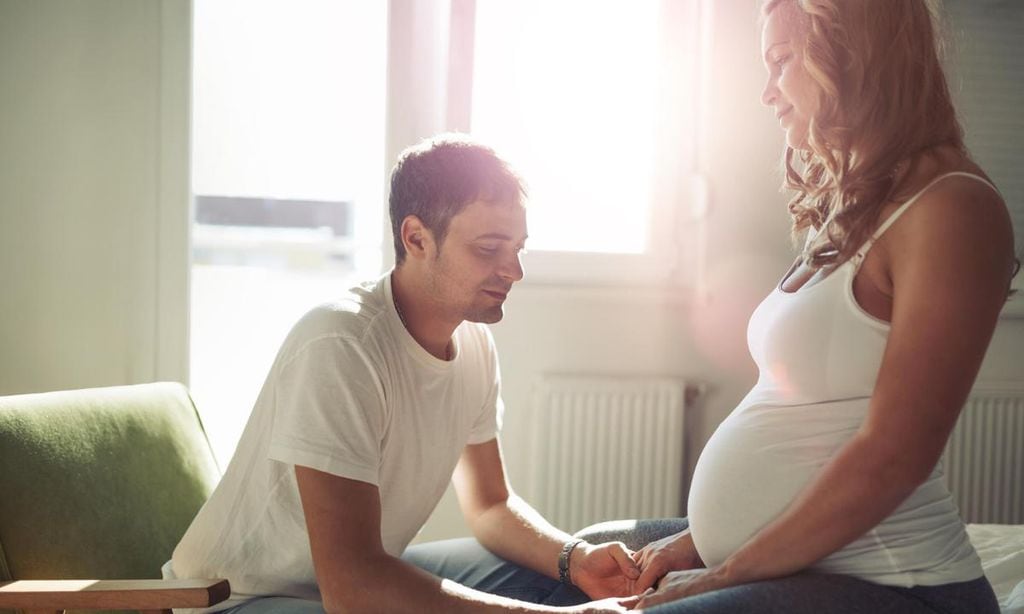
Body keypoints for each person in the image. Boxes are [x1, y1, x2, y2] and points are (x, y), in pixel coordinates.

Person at [590, 1, 1017, 612]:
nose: (767, 93)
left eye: (782, 61)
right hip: (811, 563)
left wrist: (721, 573)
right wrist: (696, 542)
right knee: (593, 551)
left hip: (900, 586)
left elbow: (892, 458)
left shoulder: (951, 208)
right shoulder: (863, 204)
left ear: (852, 54)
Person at [163, 135, 643, 614]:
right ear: (416, 238)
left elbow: (491, 504)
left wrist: (574, 559)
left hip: (352, 581)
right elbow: (353, 588)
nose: (513, 270)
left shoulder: (474, 344)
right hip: (237, 601)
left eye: (517, 248)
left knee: (562, 585)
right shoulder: (341, 345)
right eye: (488, 249)